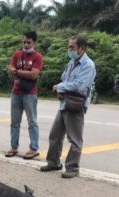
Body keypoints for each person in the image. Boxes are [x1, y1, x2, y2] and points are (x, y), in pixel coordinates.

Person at [40, 35, 96, 178]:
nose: (69, 49)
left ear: (81, 49)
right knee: (55, 135)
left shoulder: (88, 65)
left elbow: (78, 85)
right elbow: (65, 78)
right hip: (65, 102)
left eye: (72, 47)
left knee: (75, 139)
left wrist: (59, 87)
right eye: (69, 46)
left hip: (76, 104)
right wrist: (62, 87)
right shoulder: (72, 62)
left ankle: (72, 168)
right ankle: (53, 163)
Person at [5, 31, 43, 160]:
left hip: (30, 94)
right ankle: (13, 147)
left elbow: (34, 74)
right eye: (24, 42)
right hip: (16, 92)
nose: (26, 45)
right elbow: (11, 74)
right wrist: (11, 72)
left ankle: (33, 148)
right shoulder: (17, 55)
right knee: (14, 122)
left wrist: (16, 71)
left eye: (29, 42)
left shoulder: (37, 57)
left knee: (32, 121)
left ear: (34, 43)